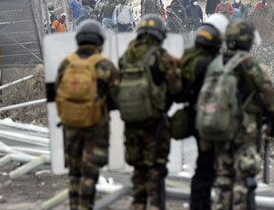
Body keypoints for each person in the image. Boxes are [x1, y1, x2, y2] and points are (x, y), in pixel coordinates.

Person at [212, 20, 274, 210]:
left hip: (219, 127)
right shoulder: (250, 64)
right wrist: (273, 122)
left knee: (223, 177)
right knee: (244, 175)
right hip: (245, 128)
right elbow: (268, 93)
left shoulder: (217, 63)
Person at [118, 15, 181, 210]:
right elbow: (176, 88)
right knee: (155, 166)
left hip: (131, 121)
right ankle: (155, 205)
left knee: (138, 167)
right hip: (154, 122)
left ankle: (138, 204)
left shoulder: (127, 56)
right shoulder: (161, 56)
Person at [55, 20, 118, 210]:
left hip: (70, 124)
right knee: (89, 172)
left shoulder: (66, 63)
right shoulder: (104, 65)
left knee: (74, 172)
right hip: (95, 125)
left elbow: (57, 90)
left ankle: (74, 206)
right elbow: (117, 97)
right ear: (99, 41)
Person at [175, 14, 229, 210]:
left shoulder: (189, 57)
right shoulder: (211, 65)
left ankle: (198, 204)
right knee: (209, 167)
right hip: (209, 119)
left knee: (203, 166)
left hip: (193, 115)